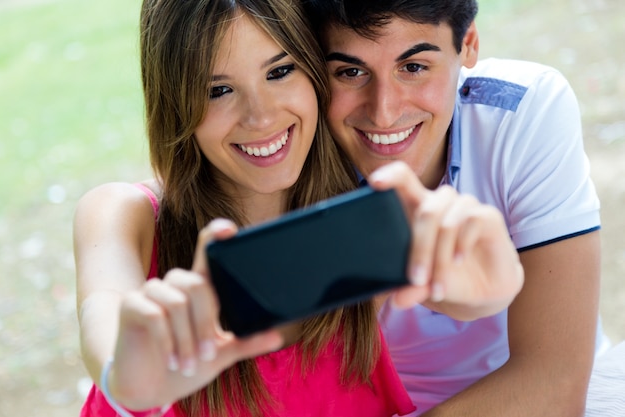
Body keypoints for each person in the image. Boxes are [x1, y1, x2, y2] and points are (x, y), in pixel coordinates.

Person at [74, 0, 523, 416]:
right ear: (175, 103)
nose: (261, 117)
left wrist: (496, 287)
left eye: (279, 71)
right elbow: (105, 313)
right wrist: (129, 379)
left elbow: (461, 291)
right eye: (218, 90)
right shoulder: (124, 214)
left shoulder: (354, 217)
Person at [303, 0, 605, 416]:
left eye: (414, 67)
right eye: (351, 72)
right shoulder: (292, 149)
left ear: (468, 46)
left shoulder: (524, 110)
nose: (384, 111)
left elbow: (555, 382)